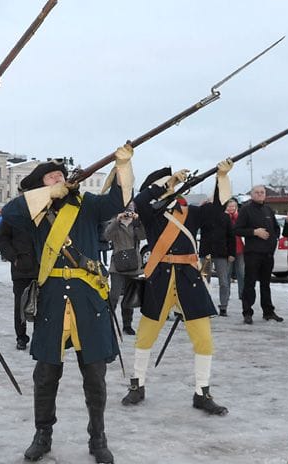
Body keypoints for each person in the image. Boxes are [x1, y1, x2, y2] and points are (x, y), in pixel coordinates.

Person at [1, 146, 132, 464]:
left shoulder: (85, 204)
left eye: (61, 174)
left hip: (88, 299)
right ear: (41, 185)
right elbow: (10, 213)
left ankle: (98, 438)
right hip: (52, 302)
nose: (60, 177)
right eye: (52, 176)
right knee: (46, 376)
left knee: (95, 376)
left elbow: (117, 202)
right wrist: (50, 193)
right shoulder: (32, 210)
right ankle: (42, 435)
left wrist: (123, 166)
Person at [121, 161, 233, 418]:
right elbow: (136, 204)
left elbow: (218, 209)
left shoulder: (191, 212)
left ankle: (202, 392)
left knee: (204, 339)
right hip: (159, 278)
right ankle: (137, 385)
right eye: (167, 183)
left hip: (189, 279)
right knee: (145, 337)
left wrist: (222, 178)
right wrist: (163, 187)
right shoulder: (150, 213)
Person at [234, 184, 283, 323]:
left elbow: (276, 228)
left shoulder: (268, 209)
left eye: (262, 192)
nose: (260, 194)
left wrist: (274, 240)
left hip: (267, 254)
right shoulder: (245, 210)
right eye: (257, 192)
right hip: (253, 253)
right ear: (252, 194)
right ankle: (247, 312)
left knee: (265, 284)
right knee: (250, 284)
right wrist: (254, 232)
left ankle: (268, 312)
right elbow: (236, 230)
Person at [0, 216, 38, 351]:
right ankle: (21, 337)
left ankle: (39, 337)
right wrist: (14, 258)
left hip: (42, 268)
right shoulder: (13, 214)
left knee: (43, 305)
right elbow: (2, 239)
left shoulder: (43, 210)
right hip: (21, 269)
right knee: (20, 305)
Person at [104, 206, 145, 333]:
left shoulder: (136, 224)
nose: (128, 213)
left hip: (133, 265)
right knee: (114, 296)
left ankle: (127, 325)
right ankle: (107, 323)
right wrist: (117, 220)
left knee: (129, 297)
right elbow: (107, 236)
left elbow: (143, 236)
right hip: (117, 266)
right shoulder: (114, 223)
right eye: (126, 210)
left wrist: (139, 221)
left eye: (131, 210)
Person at [198, 194, 237, 317]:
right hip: (206, 253)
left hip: (221, 254)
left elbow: (231, 236)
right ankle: (205, 305)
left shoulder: (225, 217)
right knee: (204, 281)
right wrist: (201, 207)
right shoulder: (203, 216)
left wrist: (232, 253)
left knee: (224, 282)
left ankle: (223, 306)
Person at [225, 198, 245, 297]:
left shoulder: (239, 217)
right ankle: (226, 294)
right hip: (227, 250)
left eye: (233, 206)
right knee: (227, 273)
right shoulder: (224, 217)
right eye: (229, 206)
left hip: (240, 248)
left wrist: (236, 215)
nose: (231, 208)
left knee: (241, 272)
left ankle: (242, 294)